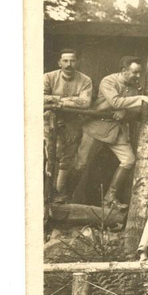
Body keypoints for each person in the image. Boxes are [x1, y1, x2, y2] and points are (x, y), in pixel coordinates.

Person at [72, 55, 148, 208]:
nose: (138, 76)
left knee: (128, 160)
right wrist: (139, 98)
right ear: (123, 71)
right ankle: (67, 196)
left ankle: (110, 198)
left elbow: (136, 111)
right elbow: (115, 101)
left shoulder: (135, 86)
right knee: (81, 164)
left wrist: (125, 112)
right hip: (96, 127)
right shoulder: (109, 81)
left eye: (139, 73)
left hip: (116, 129)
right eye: (134, 72)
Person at [43, 49, 93, 203]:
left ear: (77, 62)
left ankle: (58, 194)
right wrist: (70, 99)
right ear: (59, 62)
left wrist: (56, 101)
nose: (68, 64)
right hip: (49, 121)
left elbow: (85, 103)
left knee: (67, 158)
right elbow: (40, 98)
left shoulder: (85, 80)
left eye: (72, 61)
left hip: (73, 122)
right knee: (49, 155)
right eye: (65, 61)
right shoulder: (48, 77)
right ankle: (44, 194)